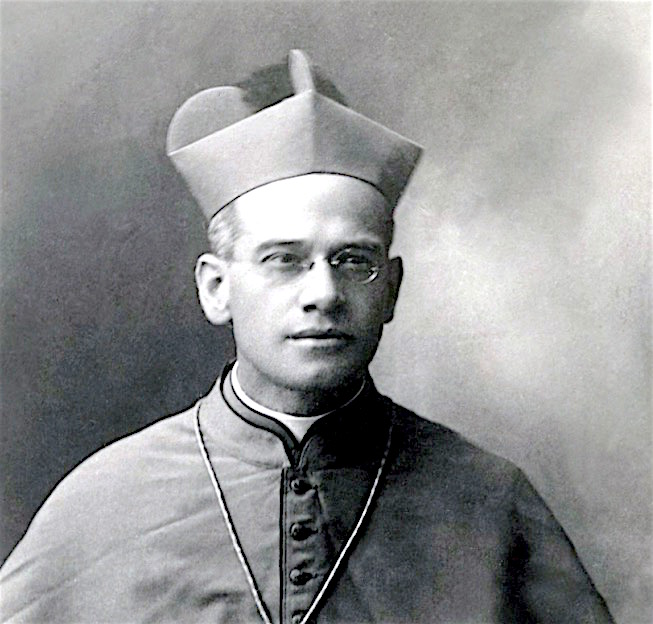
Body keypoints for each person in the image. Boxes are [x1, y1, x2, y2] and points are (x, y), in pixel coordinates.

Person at [0, 50, 613, 624]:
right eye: (284, 260)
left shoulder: (490, 501)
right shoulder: (102, 504)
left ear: (391, 290)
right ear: (217, 288)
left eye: (353, 260)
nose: (324, 292)